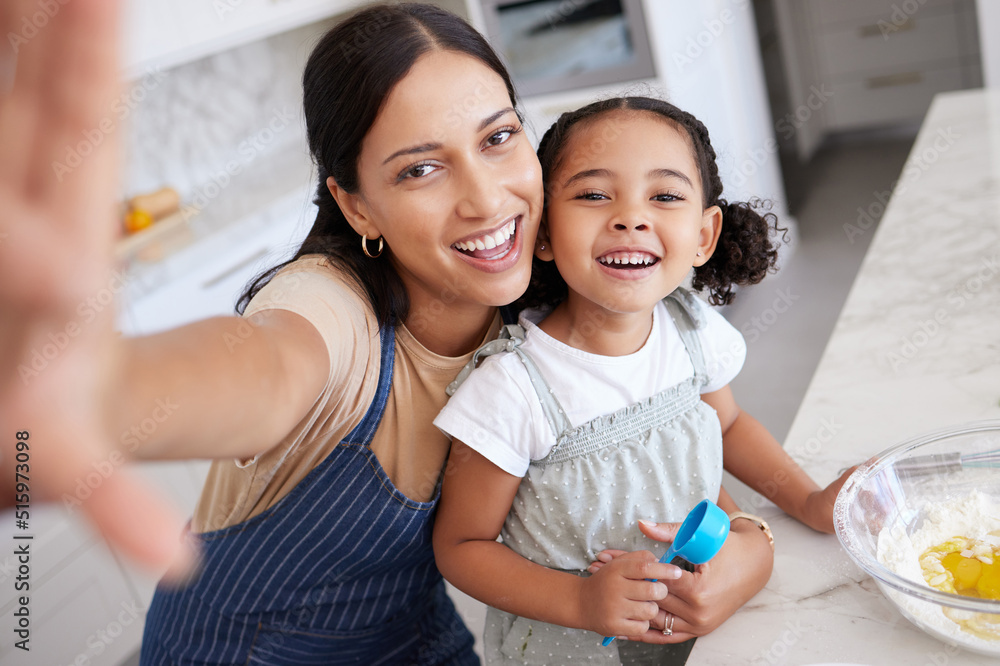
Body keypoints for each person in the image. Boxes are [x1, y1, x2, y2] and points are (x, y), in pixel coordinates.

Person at [0, 3, 774, 664]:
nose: (484, 199)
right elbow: (263, 368)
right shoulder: (331, 314)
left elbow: (666, 428)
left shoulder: (540, 295)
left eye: (499, 138)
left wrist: (744, 539)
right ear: (357, 205)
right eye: (418, 170)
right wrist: (99, 389)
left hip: (417, 637)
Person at [432, 97, 853, 664]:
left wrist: (806, 501)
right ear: (545, 232)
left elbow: (727, 425)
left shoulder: (692, 329)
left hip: (706, 633)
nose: (630, 217)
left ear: (704, 234)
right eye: (593, 195)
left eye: (665, 196)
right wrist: (581, 599)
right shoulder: (512, 389)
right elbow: (462, 548)